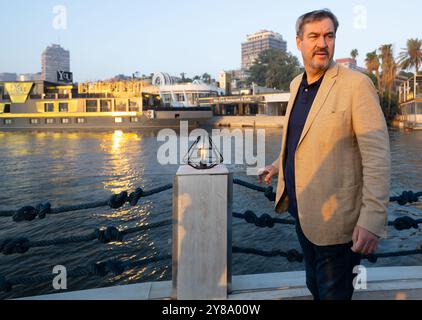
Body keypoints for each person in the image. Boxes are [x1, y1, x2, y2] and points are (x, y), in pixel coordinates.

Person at [258, 9, 391, 300]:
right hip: (303, 215)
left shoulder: (356, 86)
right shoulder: (296, 84)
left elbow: (377, 158)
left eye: (329, 35)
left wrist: (371, 221)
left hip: (338, 223)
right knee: (315, 287)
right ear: (299, 42)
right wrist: (277, 166)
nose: (322, 43)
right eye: (314, 36)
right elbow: (301, 139)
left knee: (333, 294)